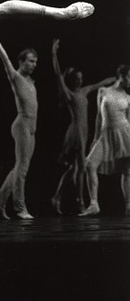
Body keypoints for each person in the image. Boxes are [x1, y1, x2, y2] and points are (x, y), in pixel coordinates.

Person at [50, 38, 115, 214]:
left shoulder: (84, 90)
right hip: (76, 132)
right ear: (71, 80)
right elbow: (57, 75)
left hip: (83, 132)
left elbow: (99, 84)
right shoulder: (69, 93)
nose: (80, 81)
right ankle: (80, 201)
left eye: (81, 79)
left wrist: (115, 79)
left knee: (74, 168)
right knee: (79, 167)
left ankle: (56, 197)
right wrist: (54, 54)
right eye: (77, 79)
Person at [0, 23, 38, 219]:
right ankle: (20, 208)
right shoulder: (16, 77)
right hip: (22, 125)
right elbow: (4, 58)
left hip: (32, 127)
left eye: (35, 62)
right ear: (22, 61)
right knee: (22, 168)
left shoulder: (32, 82)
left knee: (19, 167)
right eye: (31, 61)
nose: (34, 65)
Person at [79, 64, 130, 216]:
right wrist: (95, 139)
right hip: (105, 134)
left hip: (124, 134)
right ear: (121, 75)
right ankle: (94, 204)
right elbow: (98, 118)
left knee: (127, 171)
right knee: (89, 163)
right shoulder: (103, 91)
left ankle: (129, 206)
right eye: (129, 77)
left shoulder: (128, 97)